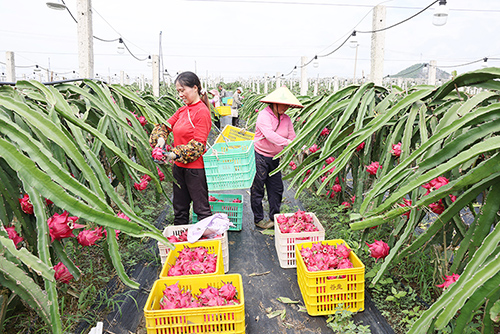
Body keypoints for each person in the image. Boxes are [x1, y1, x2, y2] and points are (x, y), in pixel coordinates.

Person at [149, 71, 212, 226]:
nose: (180, 94)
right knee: (180, 209)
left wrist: (172, 154)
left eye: (183, 90)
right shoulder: (182, 110)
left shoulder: (202, 112)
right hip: (179, 168)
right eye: (178, 91)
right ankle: (180, 243)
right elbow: (164, 126)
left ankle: (208, 246)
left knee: (201, 210)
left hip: (195, 170)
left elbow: (198, 145)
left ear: (195, 88)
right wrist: (161, 138)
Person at [250, 86, 304, 229]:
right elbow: (269, 135)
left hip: (275, 158)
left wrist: (300, 146)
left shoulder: (286, 119)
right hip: (259, 156)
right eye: (283, 104)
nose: (286, 107)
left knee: (276, 188)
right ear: (274, 103)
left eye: (288, 105)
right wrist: (288, 143)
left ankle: (274, 218)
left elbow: (292, 136)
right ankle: (258, 219)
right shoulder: (264, 115)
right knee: (258, 188)